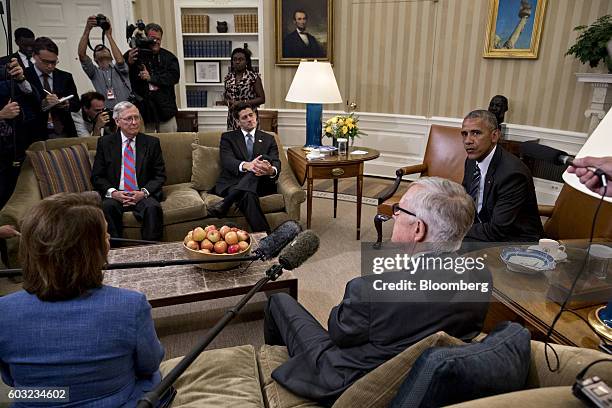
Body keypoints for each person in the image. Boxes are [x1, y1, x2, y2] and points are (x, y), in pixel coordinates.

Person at [264, 177, 491, 404]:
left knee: (279, 300)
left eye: (399, 210)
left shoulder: (368, 291)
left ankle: (270, 364)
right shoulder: (481, 276)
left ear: (418, 229)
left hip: (346, 382)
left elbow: (338, 333)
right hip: (419, 377)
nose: (394, 215)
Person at [0, 192, 165, 406]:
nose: (109, 241)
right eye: (105, 235)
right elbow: (150, 364)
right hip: (116, 401)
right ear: (91, 251)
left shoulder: (3, 310)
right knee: (155, 380)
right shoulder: (130, 305)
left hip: (34, 401)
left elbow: (10, 379)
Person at [461, 110, 542, 242]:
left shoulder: (513, 174)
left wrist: (457, 229)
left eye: (476, 133)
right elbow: (464, 198)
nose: (468, 141)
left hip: (514, 241)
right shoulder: (471, 161)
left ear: (494, 136)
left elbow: (497, 230)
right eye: (464, 134)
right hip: (485, 229)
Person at [91, 101, 166, 242]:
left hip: (141, 193)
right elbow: (97, 176)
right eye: (128, 119)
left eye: (136, 117)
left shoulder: (151, 143)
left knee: (153, 208)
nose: (134, 122)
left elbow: (160, 175)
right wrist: (113, 193)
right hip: (117, 194)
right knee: (107, 208)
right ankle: (116, 255)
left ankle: (153, 252)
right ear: (117, 121)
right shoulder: (105, 143)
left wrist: (143, 192)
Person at [208, 102, 280, 233]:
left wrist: (270, 170)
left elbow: (276, 162)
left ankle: (226, 202)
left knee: (266, 159)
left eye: (251, 115)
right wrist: (249, 166)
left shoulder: (269, 138)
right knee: (248, 195)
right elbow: (227, 161)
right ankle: (267, 238)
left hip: (260, 184)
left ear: (256, 116)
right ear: (237, 122)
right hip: (232, 183)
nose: (249, 119)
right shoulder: (228, 138)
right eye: (244, 117)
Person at [125, 23, 179, 133]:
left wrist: (151, 78)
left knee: (171, 144)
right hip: (143, 111)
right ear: (145, 38)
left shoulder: (169, 57)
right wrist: (129, 63)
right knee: (145, 146)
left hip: (165, 111)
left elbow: (174, 77)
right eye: (152, 39)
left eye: (158, 39)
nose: (156, 42)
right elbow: (121, 74)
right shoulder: (133, 55)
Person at [0, 58, 40, 208]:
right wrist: (1, 115)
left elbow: (35, 100)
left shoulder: (4, 79)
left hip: (16, 150)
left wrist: (21, 79)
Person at [24, 36, 81, 139]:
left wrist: (66, 104)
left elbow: (76, 104)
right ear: (34, 56)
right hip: (35, 134)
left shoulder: (65, 77)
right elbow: (23, 107)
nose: (50, 66)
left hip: (64, 132)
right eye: (45, 62)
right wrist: (43, 104)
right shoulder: (25, 77)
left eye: (54, 62)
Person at [78, 16, 132, 109]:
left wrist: (109, 35)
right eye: (97, 50)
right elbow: (82, 55)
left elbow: (120, 60)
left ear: (111, 56)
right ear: (95, 59)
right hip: (108, 113)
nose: (101, 49)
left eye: (104, 48)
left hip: (127, 110)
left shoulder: (118, 68)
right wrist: (87, 29)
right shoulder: (94, 73)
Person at [223, 47, 265, 130]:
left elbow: (262, 99)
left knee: (250, 141)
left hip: (249, 117)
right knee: (234, 141)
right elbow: (225, 97)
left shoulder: (254, 77)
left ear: (246, 61)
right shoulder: (228, 78)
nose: (237, 62)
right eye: (234, 59)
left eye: (240, 59)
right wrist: (228, 102)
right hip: (233, 117)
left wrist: (242, 103)